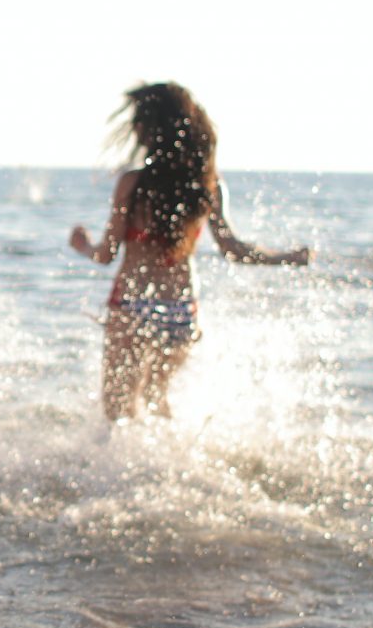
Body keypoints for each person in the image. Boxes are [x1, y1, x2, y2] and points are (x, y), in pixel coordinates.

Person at [69, 82, 309, 420]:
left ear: (149, 130)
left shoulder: (133, 183)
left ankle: (120, 471)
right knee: (156, 398)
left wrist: (82, 245)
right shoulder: (208, 186)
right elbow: (233, 249)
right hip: (181, 309)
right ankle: (175, 468)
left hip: (132, 304)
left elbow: (106, 254)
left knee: (118, 411)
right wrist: (285, 257)